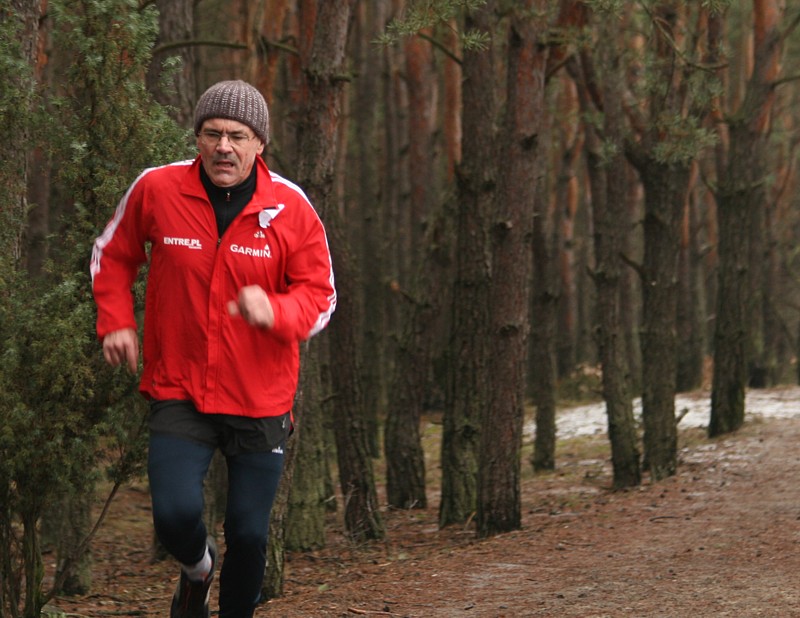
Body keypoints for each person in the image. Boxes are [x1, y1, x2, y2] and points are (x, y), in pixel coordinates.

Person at [90, 80, 336, 618]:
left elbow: (321, 296)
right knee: (174, 515)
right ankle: (197, 570)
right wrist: (116, 322)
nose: (224, 146)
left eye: (237, 136)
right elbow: (113, 253)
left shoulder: (290, 207)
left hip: (260, 396)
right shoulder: (157, 188)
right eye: (213, 133)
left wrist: (276, 311)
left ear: (259, 144)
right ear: (198, 138)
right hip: (180, 386)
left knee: (249, 535)